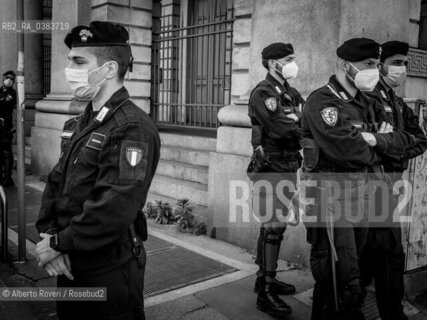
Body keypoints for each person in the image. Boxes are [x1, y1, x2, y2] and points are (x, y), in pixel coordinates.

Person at [35, 21, 161, 320]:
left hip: (107, 267)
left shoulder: (131, 127)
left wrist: (56, 244)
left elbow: (115, 205)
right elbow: (57, 181)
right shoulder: (82, 120)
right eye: (70, 61)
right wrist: (49, 234)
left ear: (108, 69)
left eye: (79, 62)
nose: (70, 70)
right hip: (69, 259)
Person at [300, 38, 414, 320]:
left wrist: (373, 139)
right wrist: (379, 144)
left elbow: (402, 140)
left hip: (361, 197)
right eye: (368, 65)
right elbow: (345, 150)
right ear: (343, 64)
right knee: (340, 281)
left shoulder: (368, 101)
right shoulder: (322, 101)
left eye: (377, 65)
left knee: (355, 279)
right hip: (329, 201)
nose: (375, 71)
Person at [360, 40, 427, 320]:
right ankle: (390, 312)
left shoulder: (397, 102)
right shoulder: (366, 98)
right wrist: (390, 145)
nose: (402, 69)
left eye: (405, 63)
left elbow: (421, 139)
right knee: (389, 254)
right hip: (370, 187)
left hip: (391, 184)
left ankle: (358, 303)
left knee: (370, 252)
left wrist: (393, 148)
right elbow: (365, 145)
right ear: (381, 64)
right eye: (397, 62)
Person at [248, 42, 303, 318]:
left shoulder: (290, 92)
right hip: (271, 167)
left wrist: (295, 118)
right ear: (273, 63)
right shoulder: (263, 92)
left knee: (274, 227)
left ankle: (264, 278)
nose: (293, 62)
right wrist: (293, 120)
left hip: (287, 165)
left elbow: (303, 121)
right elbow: (281, 127)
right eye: (288, 59)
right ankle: (265, 294)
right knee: (273, 228)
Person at [0, 70, 17, 186]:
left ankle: (7, 178)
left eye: (12, 79)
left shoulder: (13, 93)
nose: (9, 80)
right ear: (3, 78)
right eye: (7, 78)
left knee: (7, 152)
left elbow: (6, 104)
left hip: (6, 126)